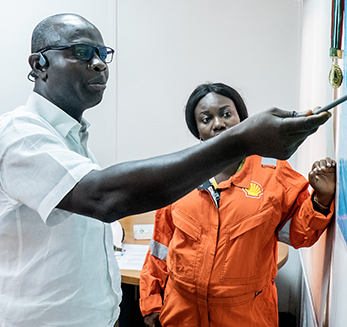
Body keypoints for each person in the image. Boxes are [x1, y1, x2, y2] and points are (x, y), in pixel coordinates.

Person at [0, 13, 332, 327]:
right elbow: (106, 200)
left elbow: (297, 231)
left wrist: (320, 196)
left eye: (102, 54)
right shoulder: (22, 136)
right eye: (82, 52)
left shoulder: (71, 138)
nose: (99, 64)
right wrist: (240, 141)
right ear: (39, 65)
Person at [138, 83, 336, 327]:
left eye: (225, 113)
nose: (218, 123)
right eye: (206, 118)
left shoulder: (272, 173)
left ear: (242, 118)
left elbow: (300, 234)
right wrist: (150, 301)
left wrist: (322, 198)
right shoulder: (181, 173)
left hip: (246, 316)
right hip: (182, 313)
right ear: (197, 130)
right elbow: (160, 245)